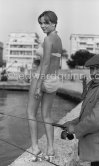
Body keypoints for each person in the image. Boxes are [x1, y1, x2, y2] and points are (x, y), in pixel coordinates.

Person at [64, 54, 99, 166]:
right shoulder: (97, 85)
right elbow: (89, 113)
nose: (93, 73)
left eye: (97, 68)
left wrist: (74, 129)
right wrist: (73, 122)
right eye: (91, 69)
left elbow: (96, 120)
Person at [27, 10, 62, 161]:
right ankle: (50, 150)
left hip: (41, 78)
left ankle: (35, 149)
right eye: (40, 23)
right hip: (54, 79)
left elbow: (46, 63)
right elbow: (55, 62)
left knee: (31, 113)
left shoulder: (48, 40)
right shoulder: (58, 38)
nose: (42, 26)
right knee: (47, 115)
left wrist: (38, 85)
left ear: (54, 22)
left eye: (46, 23)